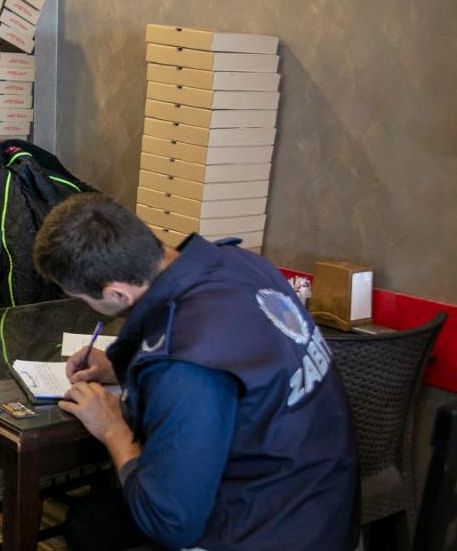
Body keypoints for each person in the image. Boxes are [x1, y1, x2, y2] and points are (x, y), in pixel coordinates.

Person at [32, 193, 357, 551]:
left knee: (90, 527)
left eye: (85, 299)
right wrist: (123, 366)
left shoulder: (184, 365)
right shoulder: (242, 264)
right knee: (95, 520)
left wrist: (114, 431)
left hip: (268, 530)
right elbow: (234, 349)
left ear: (117, 294)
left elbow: (169, 522)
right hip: (323, 498)